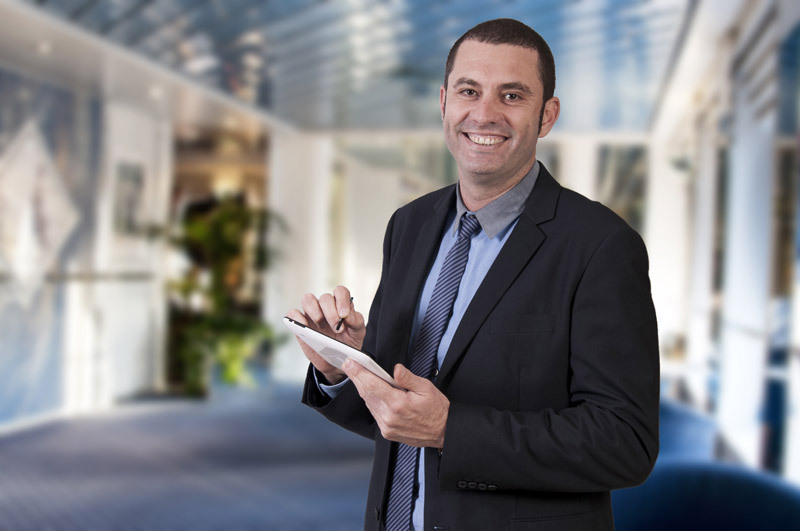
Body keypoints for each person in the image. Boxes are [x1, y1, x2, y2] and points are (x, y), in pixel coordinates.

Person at [287, 18, 659, 531]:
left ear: (546, 115)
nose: (484, 114)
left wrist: (451, 430)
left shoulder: (601, 246)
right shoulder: (409, 225)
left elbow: (625, 444)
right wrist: (345, 365)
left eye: (511, 95)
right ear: (444, 102)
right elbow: (399, 415)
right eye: (469, 90)